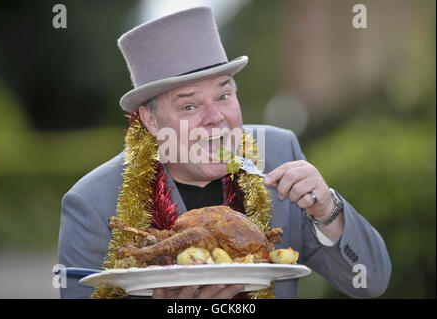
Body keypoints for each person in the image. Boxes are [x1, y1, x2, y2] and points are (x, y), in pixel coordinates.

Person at [58, 6, 391, 299]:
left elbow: (370, 282)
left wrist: (327, 210)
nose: (215, 119)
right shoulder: (92, 203)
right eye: (189, 105)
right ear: (151, 120)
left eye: (223, 96)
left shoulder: (278, 154)